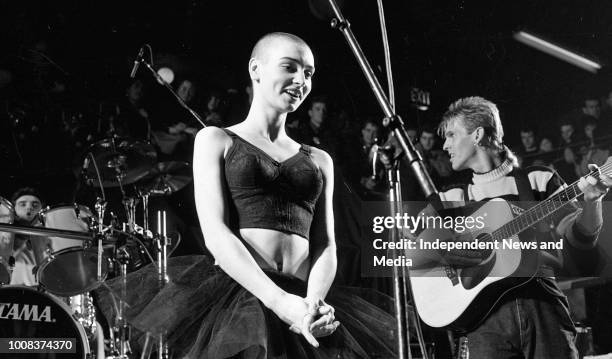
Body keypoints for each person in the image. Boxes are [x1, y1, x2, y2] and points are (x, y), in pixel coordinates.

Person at [97, 32, 395, 359]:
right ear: (256, 69)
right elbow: (215, 233)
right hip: (242, 299)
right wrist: (280, 302)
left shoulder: (320, 159)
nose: (301, 79)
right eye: (289, 67)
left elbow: (326, 243)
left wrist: (312, 305)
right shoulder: (216, 139)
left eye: (308, 73)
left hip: (304, 302)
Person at [416, 96, 610, 358]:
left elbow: (581, 240)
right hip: (483, 323)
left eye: (451, 135)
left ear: (478, 134)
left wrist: (592, 201)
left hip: (543, 307)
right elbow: (414, 248)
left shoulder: (538, 179)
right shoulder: (452, 198)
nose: (446, 144)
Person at [9, 187, 48, 286]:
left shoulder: (49, 241)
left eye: (35, 205)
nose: (29, 207)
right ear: (13, 211)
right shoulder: (4, 239)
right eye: (23, 204)